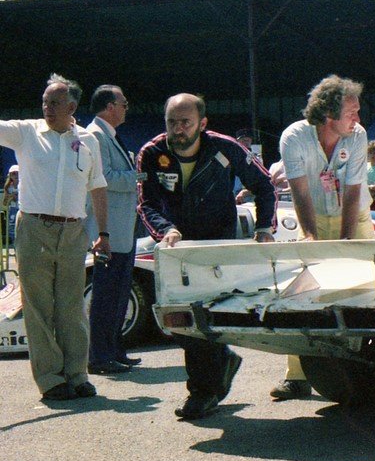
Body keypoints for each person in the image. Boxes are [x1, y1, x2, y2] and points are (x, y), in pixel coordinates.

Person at [138, 93, 277, 419]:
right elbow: (146, 203)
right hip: (177, 248)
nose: (177, 129)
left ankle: (202, 391)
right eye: (171, 122)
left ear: (202, 124)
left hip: (218, 245)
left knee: (207, 315)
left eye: (185, 122)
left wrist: (263, 228)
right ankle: (217, 371)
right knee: (183, 320)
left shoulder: (226, 147)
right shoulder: (151, 153)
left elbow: (265, 185)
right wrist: (166, 230)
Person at [0, 74, 110, 401]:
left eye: (55, 103)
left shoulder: (89, 140)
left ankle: (77, 374)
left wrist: (102, 233)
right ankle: (50, 379)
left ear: (72, 107)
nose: (47, 107)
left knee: (72, 306)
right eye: (45, 102)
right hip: (33, 228)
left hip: (74, 231)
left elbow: (98, 187)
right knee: (38, 307)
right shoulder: (26, 132)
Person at [274, 75, 375, 399]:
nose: (357, 119)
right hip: (313, 215)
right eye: (351, 113)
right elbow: (300, 193)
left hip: (353, 213)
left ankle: (373, 364)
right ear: (329, 116)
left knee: (368, 284)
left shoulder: (357, 136)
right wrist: (311, 238)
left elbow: (353, 189)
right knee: (304, 291)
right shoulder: (294, 138)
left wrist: (346, 241)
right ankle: (297, 376)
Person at [85, 85, 142, 375]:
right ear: (109, 106)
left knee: (119, 293)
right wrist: (138, 177)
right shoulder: (95, 135)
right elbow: (103, 178)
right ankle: (98, 356)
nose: (125, 108)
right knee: (106, 295)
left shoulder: (108, 135)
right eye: (123, 103)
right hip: (107, 231)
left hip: (122, 229)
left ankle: (114, 349)